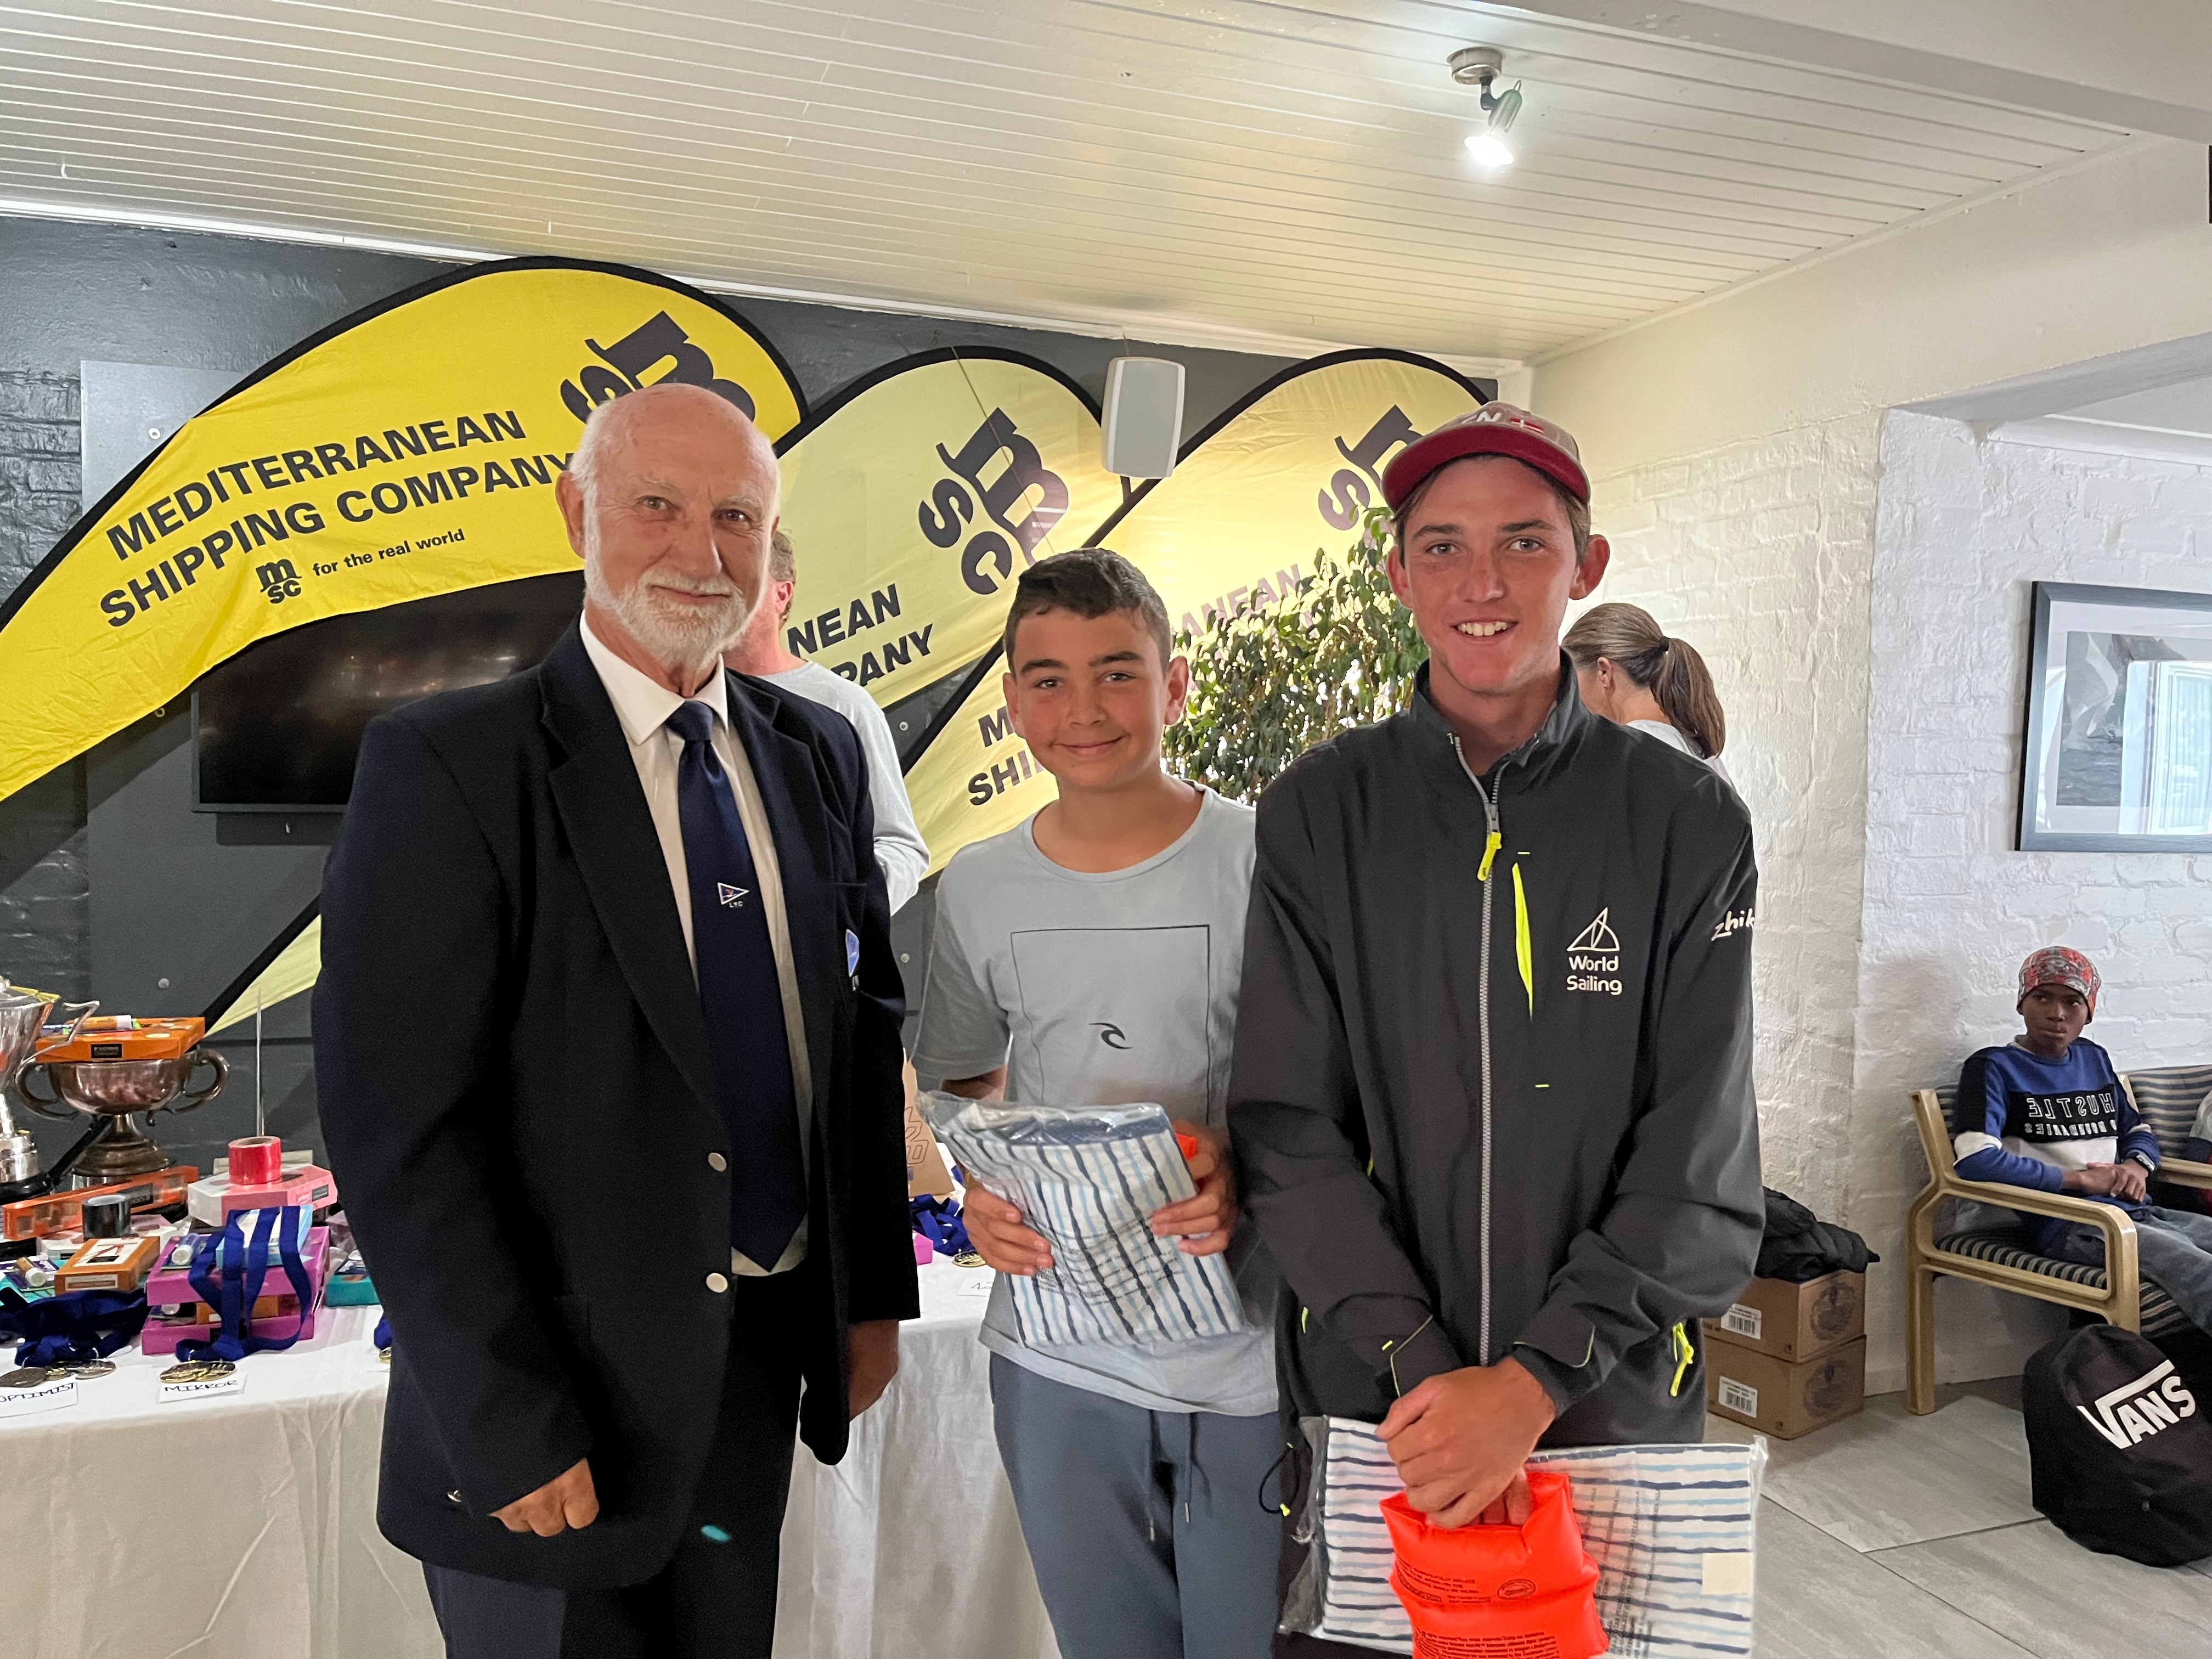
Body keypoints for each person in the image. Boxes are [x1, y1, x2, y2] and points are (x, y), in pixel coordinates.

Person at [314, 382, 916, 1659]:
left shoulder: (818, 755)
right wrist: (504, 1414)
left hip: (753, 1376)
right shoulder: (451, 764)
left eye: (737, 517)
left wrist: (869, 1298)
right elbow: (395, 1129)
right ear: (576, 512)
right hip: (549, 1416)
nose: (703, 552)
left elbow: (862, 1034)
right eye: (658, 505)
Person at [1226, 403, 1763, 1642]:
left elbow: (1702, 1157)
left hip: (1609, 1404)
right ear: (1399, 573)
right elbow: (1288, 1127)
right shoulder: (1320, 808)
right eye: (1444, 546)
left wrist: (1531, 1381)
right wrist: (1428, 1372)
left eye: (1525, 542)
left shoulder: (1686, 820)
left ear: (1586, 565)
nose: (1484, 583)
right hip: (1383, 1412)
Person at [912, 549, 1283, 1659]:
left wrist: (1244, 1163)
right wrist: (983, 1190)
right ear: (1013, 699)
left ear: (1174, 685)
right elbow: (961, 1078)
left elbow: (1344, 1084)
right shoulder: (977, 885)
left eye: (1118, 672)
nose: (1084, 709)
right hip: (1057, 1351)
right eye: (1049, 679)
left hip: (1247, 1355)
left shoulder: (1268, 860)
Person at [1954, 947, 2212, 1327]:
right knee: (2202, 1273)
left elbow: (2137, 1130)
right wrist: (2079, 1180)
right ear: (2021, 1004)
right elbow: (1975, 1160)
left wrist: (2136, 1167)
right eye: (2042, 997)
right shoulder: (1993, 1067)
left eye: (2073, 1002)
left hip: (2135, 1212)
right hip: (2072, 1224)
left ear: (2089, 1012)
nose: (2057, 1013)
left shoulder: (2093, 1058)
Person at [723, 528, 931, 914]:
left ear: (782, 594)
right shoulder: (674, 700)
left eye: (742, 576)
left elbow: (900, 846)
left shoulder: (843, 706)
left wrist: (839, 917)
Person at [1562, 601, 1731, 782]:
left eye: (1572, 681)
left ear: (1604, 672)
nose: (1570, 697)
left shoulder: (1620, 756)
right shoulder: (1705, 757)